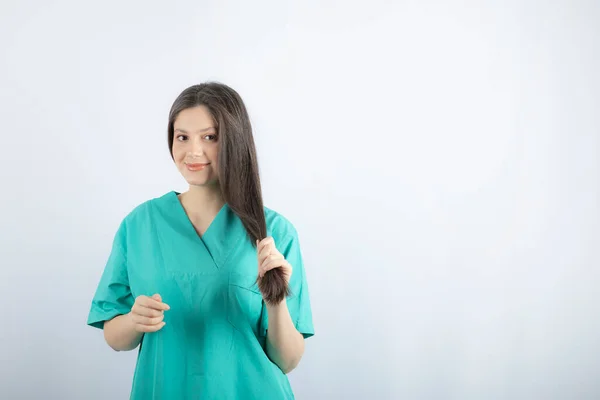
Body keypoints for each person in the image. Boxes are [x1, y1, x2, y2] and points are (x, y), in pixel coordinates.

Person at [86, 82, 315, 399]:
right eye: (182, 137)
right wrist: (133, 320)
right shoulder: (139, 226)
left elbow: (287, 360)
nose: (192, 151)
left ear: (235, 141)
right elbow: (115, 337)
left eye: (210, 137)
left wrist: (275, 303)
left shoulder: (274, 232)